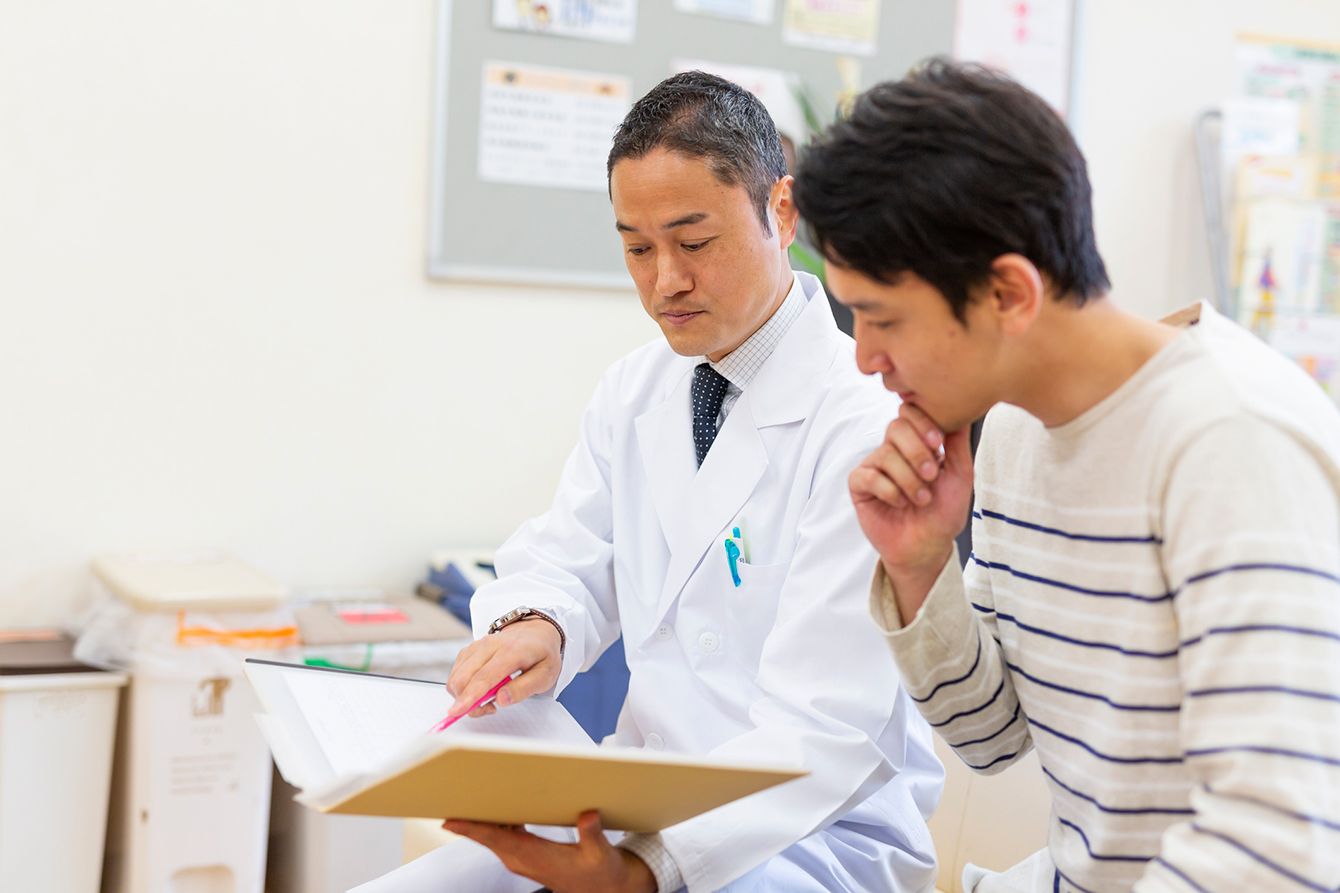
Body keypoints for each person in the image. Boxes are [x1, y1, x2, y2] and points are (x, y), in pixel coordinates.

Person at [356, 71, 941, 893]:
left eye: (694, 243)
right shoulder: (636, 391)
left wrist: (646, 869)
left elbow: (824, 732)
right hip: (633, 801)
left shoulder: (864, 424)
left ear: (781, 210)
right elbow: (568, 559)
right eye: (637, 248)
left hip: (806, 840)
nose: (665, 281)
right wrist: (537, 623)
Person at [792, 58, 1340, 893]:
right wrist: (920, 565)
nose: (864, 357)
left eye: (882, 318)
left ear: (1009, 292)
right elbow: (991, 735)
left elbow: (1276, 844)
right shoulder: (1015, 428)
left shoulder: (1231, 440)